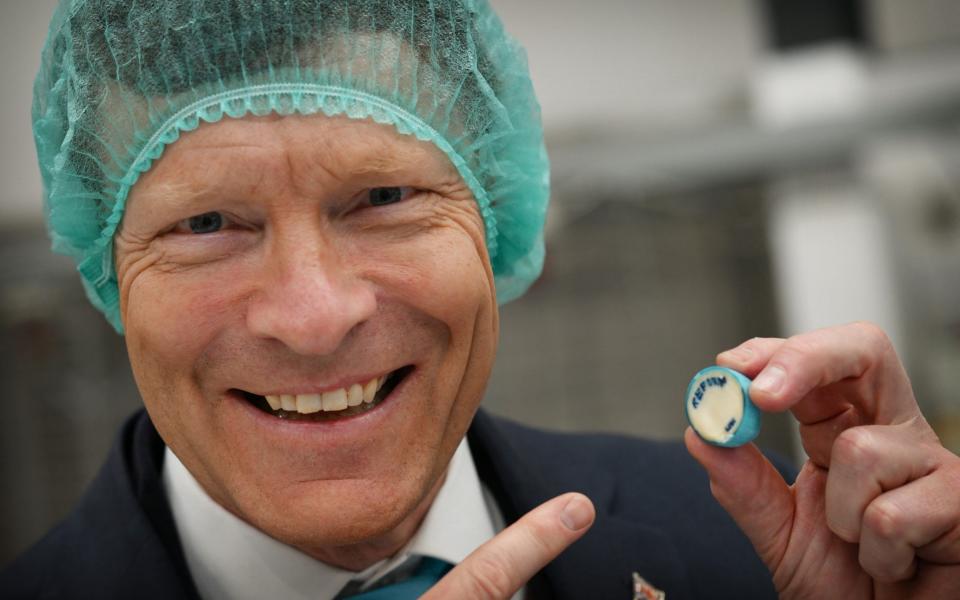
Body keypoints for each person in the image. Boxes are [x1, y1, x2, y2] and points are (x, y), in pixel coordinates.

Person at [4, 1, 959, 598]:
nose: (313, 315)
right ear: (109, 268)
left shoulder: (742, 555)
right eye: (207, 223)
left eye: (383, 199)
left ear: (494, 215)